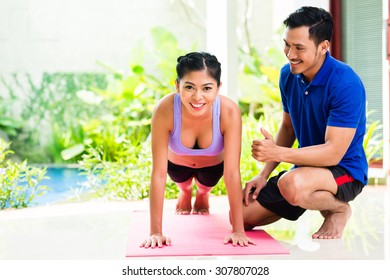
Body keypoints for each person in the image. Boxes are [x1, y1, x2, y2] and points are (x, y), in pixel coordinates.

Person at [242, 6, 368, 239]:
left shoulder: (345, 84)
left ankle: (338, 208)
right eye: (287, 45)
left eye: (299, 48)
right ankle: (300, 193)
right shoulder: (287, 75)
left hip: (344, 171)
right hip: (305, 170)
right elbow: (288, 127)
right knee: (240, 218)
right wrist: (263, 174)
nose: (290, 54)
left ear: (323, 47)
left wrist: (276, 153)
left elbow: (332, 154)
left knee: (292, 184)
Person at [141, 51, 254, 248]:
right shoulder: (164, 109)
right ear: (177, 85)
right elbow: (158, 174)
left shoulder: (229, 112)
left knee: (205, 185)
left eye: (207, 88)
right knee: (183, 184)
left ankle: (202, 194)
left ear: (218, 88)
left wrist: (238, 231)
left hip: (212, 169)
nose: (197, 96)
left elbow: (232, 173)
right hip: (177, 166)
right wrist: (155, 232)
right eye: (189, 87)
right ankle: (185, 192)